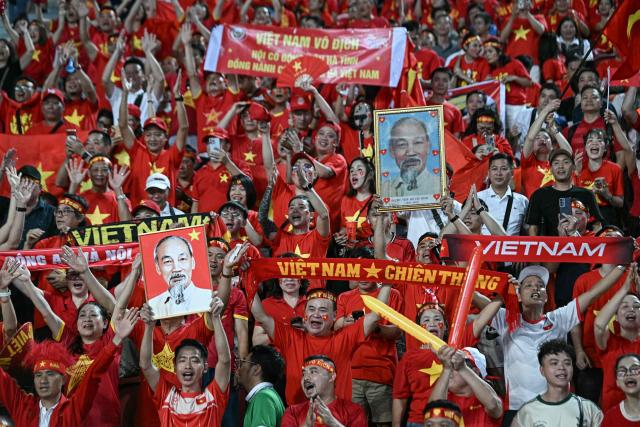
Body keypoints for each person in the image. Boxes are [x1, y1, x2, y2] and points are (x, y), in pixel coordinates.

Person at [494, 264, 625, 425]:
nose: (535, 288)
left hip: (558, 407)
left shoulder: (559, 319)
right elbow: (474, 298)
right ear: (518, 295)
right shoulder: (505, 320)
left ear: (547, 297)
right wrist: (501, 291)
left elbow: (592, 294)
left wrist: (621, 266)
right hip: (517, 408)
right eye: (528, 285)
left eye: (540, 286)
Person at [0, 309, 139, 427]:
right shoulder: (23, 405)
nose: (43, 380)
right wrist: (3, 291)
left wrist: (117, 339)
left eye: (50, 374)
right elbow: (3, 380)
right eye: (38, 375)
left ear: (63, 380)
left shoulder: (73, 409)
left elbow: (93, 375)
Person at [140, 297, 231, 426]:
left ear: (205, 366)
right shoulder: (166, 396)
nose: (188, 366)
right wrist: (149, 327)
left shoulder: (213, 397)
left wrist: (216, 319)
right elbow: (146, 365)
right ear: (175, 367)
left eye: (194, 360)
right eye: (182, 360)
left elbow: (225, 361)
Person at [512, 339, 603, 426]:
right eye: (554, 363)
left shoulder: (589, 409)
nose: (561, 367)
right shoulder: (527, 413)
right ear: (542, 370)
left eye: (567, 363)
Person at [526, 148, 604, 236]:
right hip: (549, 248)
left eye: (566, 162)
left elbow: (597, 226)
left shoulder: (586, 194)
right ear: (551, 169)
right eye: (556, 163)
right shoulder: (539, 195)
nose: (561, 166)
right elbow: (533, 228)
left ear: (574, 167)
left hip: (580, 247)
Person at [281, 355, 368, 427]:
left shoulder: (354, 411)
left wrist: (333, 423)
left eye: (313, 372)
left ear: (332, 377)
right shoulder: (292, 412)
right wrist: (306, 425)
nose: (306, 378)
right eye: (304, 374)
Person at [148, 235, 212, 319]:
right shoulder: (152, 307)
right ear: (158, 268)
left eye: (182, 259)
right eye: (168, 261)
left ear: (192, 262)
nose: (176, 269)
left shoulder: (209, 298)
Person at [381, 117, 441, 198]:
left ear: (428, 147)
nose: (410, 153)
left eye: (417, 142)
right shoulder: (385, 190)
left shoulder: (439, 185)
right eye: (402, 144)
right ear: (392, 150)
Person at [478, 153, 529, 236]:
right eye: (494, 169)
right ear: (488, 173)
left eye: (504, 169)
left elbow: (529, 232)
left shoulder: (522, 201)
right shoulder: (477, 198)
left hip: (511, 248)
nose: (498, 173)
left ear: (512, 172)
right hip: (482, 248)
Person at [236, 345, 286, 427]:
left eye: (244, 362)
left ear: (256, 369)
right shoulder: (267, 395)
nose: (239, 368)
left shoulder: (263, 397)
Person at [602, 353, 640, 425]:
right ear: (617, 382)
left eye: (635, 369)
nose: (628, 374)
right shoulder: (610, 418)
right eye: (622, 371)